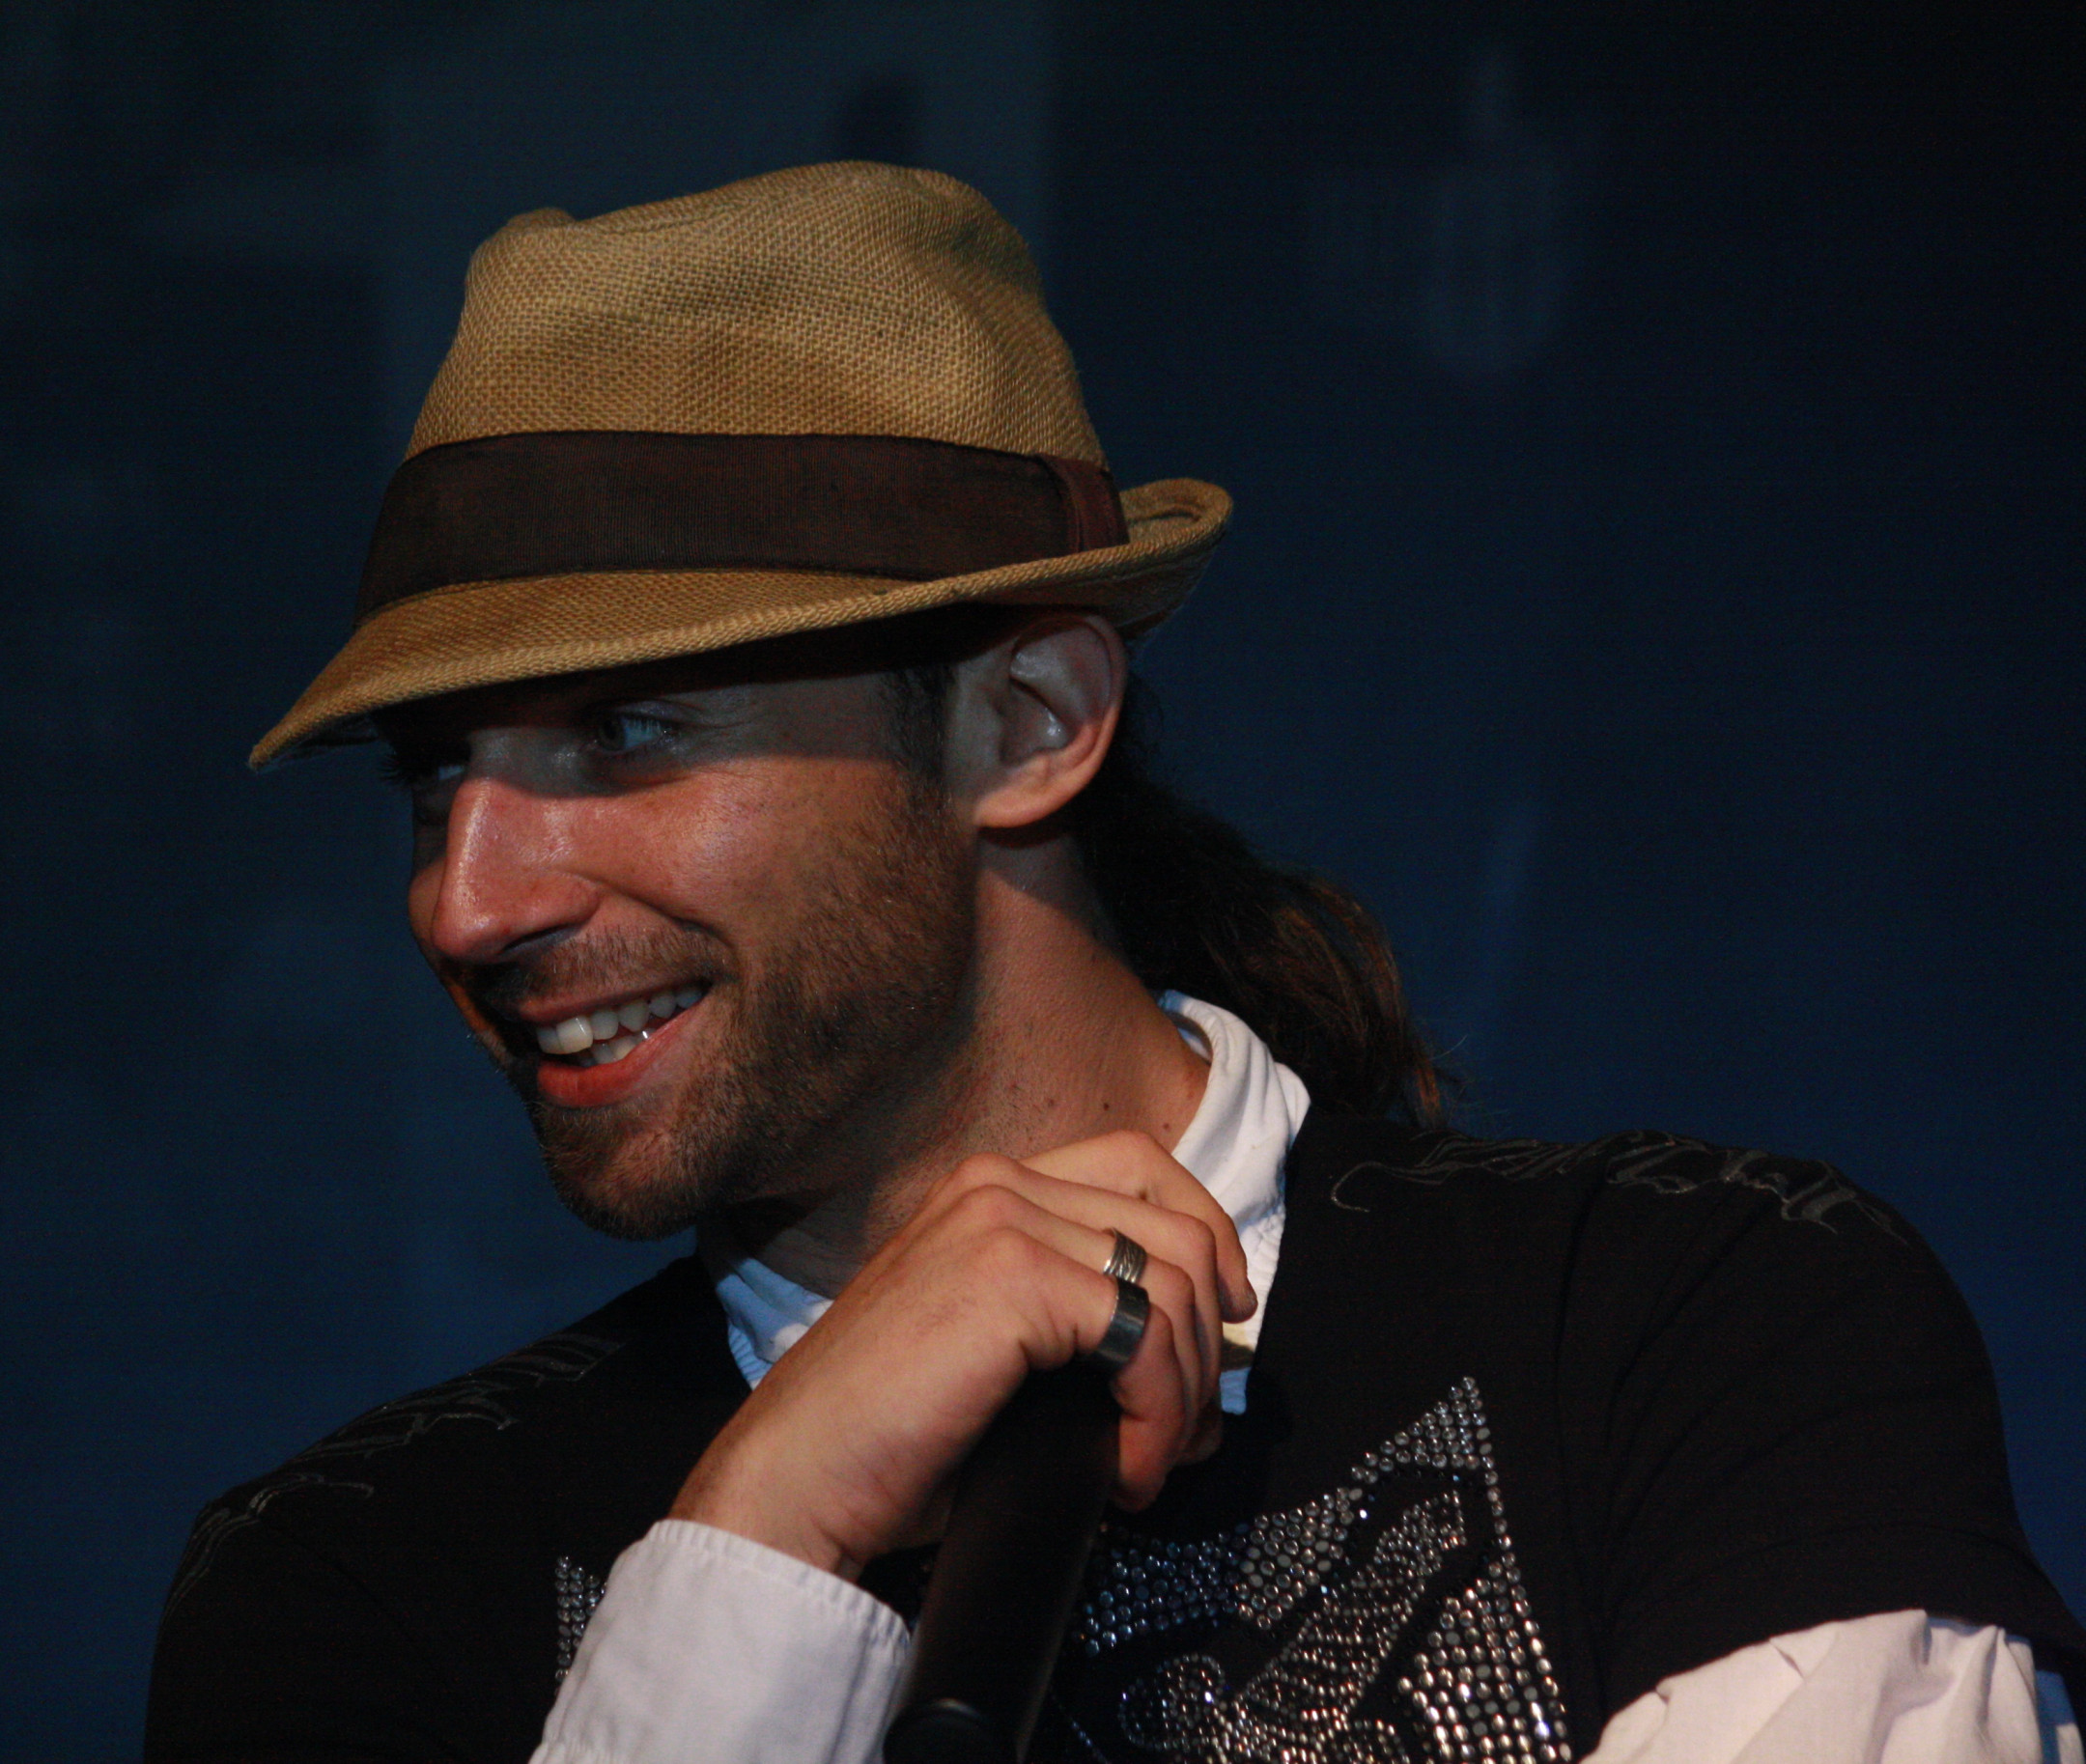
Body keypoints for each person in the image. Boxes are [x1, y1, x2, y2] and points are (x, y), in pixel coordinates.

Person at [147, 161, 2084, 1764]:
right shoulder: (352, 1585)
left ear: (1030, 722)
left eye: (623, 733)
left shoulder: (1687, 1328)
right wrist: (762, 1535)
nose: (467, 902)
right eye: (435, 782)